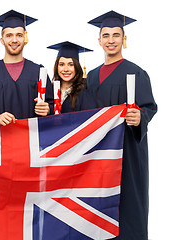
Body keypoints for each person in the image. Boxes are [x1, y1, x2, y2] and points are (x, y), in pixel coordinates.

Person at [86, 10, 157, 240]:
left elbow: (149, 107)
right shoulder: (92, 77)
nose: (111, 40)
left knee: (128, 203)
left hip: (127, 152)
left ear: (123, 40)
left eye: (116, 35)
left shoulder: (136, 72)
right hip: (97, 155)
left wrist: (140, 117)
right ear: (99, 41)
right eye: (106, 36)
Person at [0, 10, 54, 126]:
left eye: (19, 35)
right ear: (2, 40)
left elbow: (53, 105)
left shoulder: (38, 72)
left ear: (25, 39)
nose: (14, 40)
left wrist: (48, 109)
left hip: (31, 141)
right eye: (9, 35)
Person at [47, 41, 96, 113]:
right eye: (61, 64)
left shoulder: (84, 95)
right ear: (56, 67)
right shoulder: (49, 91)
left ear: (77, 67)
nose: (66, 69)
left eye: (71, 65)